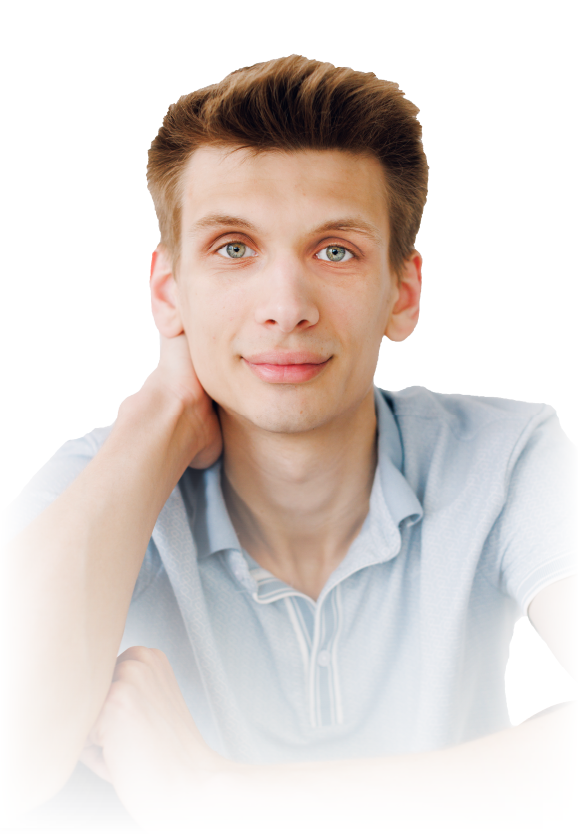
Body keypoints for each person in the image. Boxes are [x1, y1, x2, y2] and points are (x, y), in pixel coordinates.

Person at [1, 54, 577, 833]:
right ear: (168, 291)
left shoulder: (508, 459)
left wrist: (211, 798)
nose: (285, 306)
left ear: (401, 294)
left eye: (334, 250)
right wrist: (156, 416)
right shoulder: (101, 480)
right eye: (233, 248)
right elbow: (12, 767)